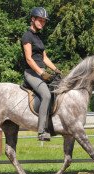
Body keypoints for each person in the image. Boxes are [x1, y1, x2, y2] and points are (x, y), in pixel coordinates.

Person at [21, 7, 61, 141]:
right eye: (40, 20)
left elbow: (44, 58)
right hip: (31, 73)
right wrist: (41, 72)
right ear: (33, 19)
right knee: (46, 94)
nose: (42, 23)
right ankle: (42, 131)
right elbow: (29, 59)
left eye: (44, 21)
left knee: (59, 86)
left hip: (41, 72)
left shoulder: (38, 37)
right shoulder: (27, 36)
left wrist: (56, 70)